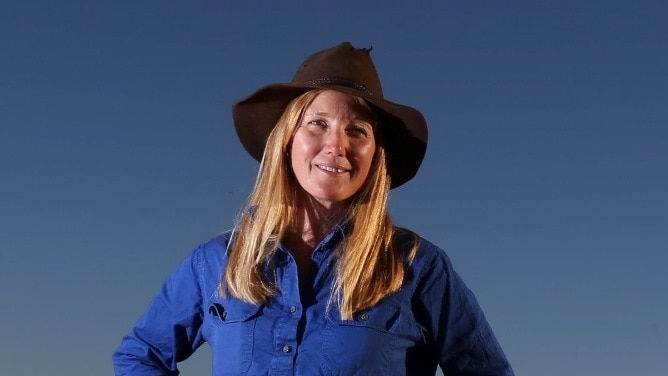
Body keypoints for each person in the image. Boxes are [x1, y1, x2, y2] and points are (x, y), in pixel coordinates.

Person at [113, 42, 514, 376]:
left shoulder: (417, 266)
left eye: (357, 130)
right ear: (287, 140)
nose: (336, 145)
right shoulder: (216, 262)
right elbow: (139, 355)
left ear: (376, 156)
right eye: (317, 123)